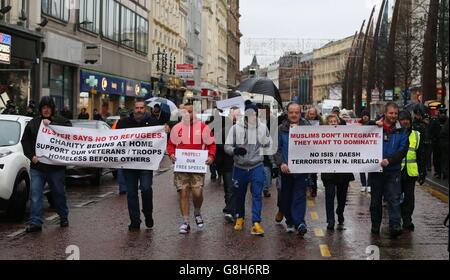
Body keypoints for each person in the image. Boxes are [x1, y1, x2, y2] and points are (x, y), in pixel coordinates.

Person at [21, 96, 72, 233]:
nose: (46, 110)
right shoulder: (33, 123)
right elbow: (25, 142)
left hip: (56, 167)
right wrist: (32, 156)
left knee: (59, 193)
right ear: (40, 109)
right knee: (36, 194)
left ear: (53, 109)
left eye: (48, 108)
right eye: (44, 108)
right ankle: (36, 222)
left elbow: (70, 134)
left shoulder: (62, 122)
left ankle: (63, 216)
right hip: (38, 167)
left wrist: (53, 124)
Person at [224, 101, 272, 236]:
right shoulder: (235, 128)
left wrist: (265, 141)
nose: (252, 116)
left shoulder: (262, 128)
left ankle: (256, 222)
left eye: (255, 114)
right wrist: (235, 150)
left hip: (257, 166)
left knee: (257, 194)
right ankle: (240, 217)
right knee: (239, 195)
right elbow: (227, 147)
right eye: (250, 113)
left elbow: (269, 145)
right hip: (240, 167)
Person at [167, 103, 216, 234]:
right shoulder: (177, 128)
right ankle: (185, 222)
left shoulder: (203, 127)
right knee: (183, 192)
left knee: (197, 193)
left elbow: (212, 145)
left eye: (190, 111)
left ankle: (197, 212)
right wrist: (171, 154)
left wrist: (211, 157)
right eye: (185, 112)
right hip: (181, 166)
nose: (187, 114)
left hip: (197, 167)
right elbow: (171, 145)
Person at [116, 98, 161, 231]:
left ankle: (148, 214)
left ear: (145, 109)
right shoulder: (123, 123)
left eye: (142, 108)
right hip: (129, 164)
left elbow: (161, 137)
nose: (139, 110)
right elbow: (114, 139)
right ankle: (134, 220)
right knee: (131, 193)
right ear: (133, 109)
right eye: (137, 108)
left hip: (146, 164)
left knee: (146, 189)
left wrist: (165, 129)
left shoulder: (153, 123)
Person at [371, 102, 409, 238]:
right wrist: (374, 125)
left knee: (394, 199)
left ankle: (395, 225)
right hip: (376, 170)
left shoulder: (402, 130)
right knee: (375, 200)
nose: (393, 116)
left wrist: (390, 161)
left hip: (393, 170)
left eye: (395, 114)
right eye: (391, 113)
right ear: (385, 113)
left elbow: (403, 149)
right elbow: (362, 133)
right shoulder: (375, 126)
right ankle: (375, 225)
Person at [274, 102, 310, 236]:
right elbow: (276, 150)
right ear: (287, 113)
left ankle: (300, 222)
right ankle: (289, 220)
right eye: (291, 112)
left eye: (296, 112)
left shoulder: (307, 127)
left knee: (300, 196)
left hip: (301, 170)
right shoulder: (280, 129)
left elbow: (314, 146)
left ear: (300, 113)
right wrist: (281, 163)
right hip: (286, 170)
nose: (294, 115)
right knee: (286, 197)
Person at [322, 114, 355, 230]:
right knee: (329, 196)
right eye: (330, 121)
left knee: (342, 197)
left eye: (334, 121)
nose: (333, 123)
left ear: (338, 122)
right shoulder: (321, 136)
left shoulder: (345, 135)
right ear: (327, 123)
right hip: (328, 171)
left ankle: (340, 212)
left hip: (343, 172)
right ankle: (330, 220)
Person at [398, 110, 426, 232]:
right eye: (403, 119)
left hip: (410, 172)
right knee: (395, 197)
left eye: (407, 119)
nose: (405, 122)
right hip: (396, 171)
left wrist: (422, 171)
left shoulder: (416, 135)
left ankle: (407, 220)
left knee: (409, 198)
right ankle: (396, 219)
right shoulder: (394, 133)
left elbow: (421, 154)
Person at [215, 107, 240, 223]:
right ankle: (230, 209)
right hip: (227, 163)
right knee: (229, 188)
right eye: (233, 115)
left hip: (241, 164)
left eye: (237, 115)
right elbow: (218, 144)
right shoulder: (223, 129)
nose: (235, 118)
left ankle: (231, 210)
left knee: (236, 188)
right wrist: (230, 149)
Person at [112, 108, 129, 195]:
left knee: (121, 169)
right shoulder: (131, 122)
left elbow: (112, 135)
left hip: (120, 150)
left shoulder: (116, 123)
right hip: (130, 150)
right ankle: (129, 186)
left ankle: (122, 188)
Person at [305, 107, 321, 197]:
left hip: (316, 150)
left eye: (313, 114)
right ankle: (308, 186)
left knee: (314, 172)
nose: (311, 116)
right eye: (310, 114)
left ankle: (314, 188)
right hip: (306, 150)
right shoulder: (303, 122)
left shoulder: (321, 123)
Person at [429, 105, 448, 179]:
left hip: (445, 143)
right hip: (436, 143)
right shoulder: (435, 121)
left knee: (445, 158)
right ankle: (438, 172)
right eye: (441, 112)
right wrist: (431, 139)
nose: (443, 114)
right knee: (436, 158)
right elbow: (431, 131)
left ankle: (444, 172)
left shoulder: (447, 120)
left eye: (444, 112)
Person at [359, 110, 376, 193]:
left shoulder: (373, 123)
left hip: (370, 148)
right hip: (361, 148)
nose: (365, 116)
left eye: (367, 115)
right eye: (364, 115)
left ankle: (369, 184)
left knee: (370, 167)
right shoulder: (358, 125)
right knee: (361, 167)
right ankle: (363, 184)